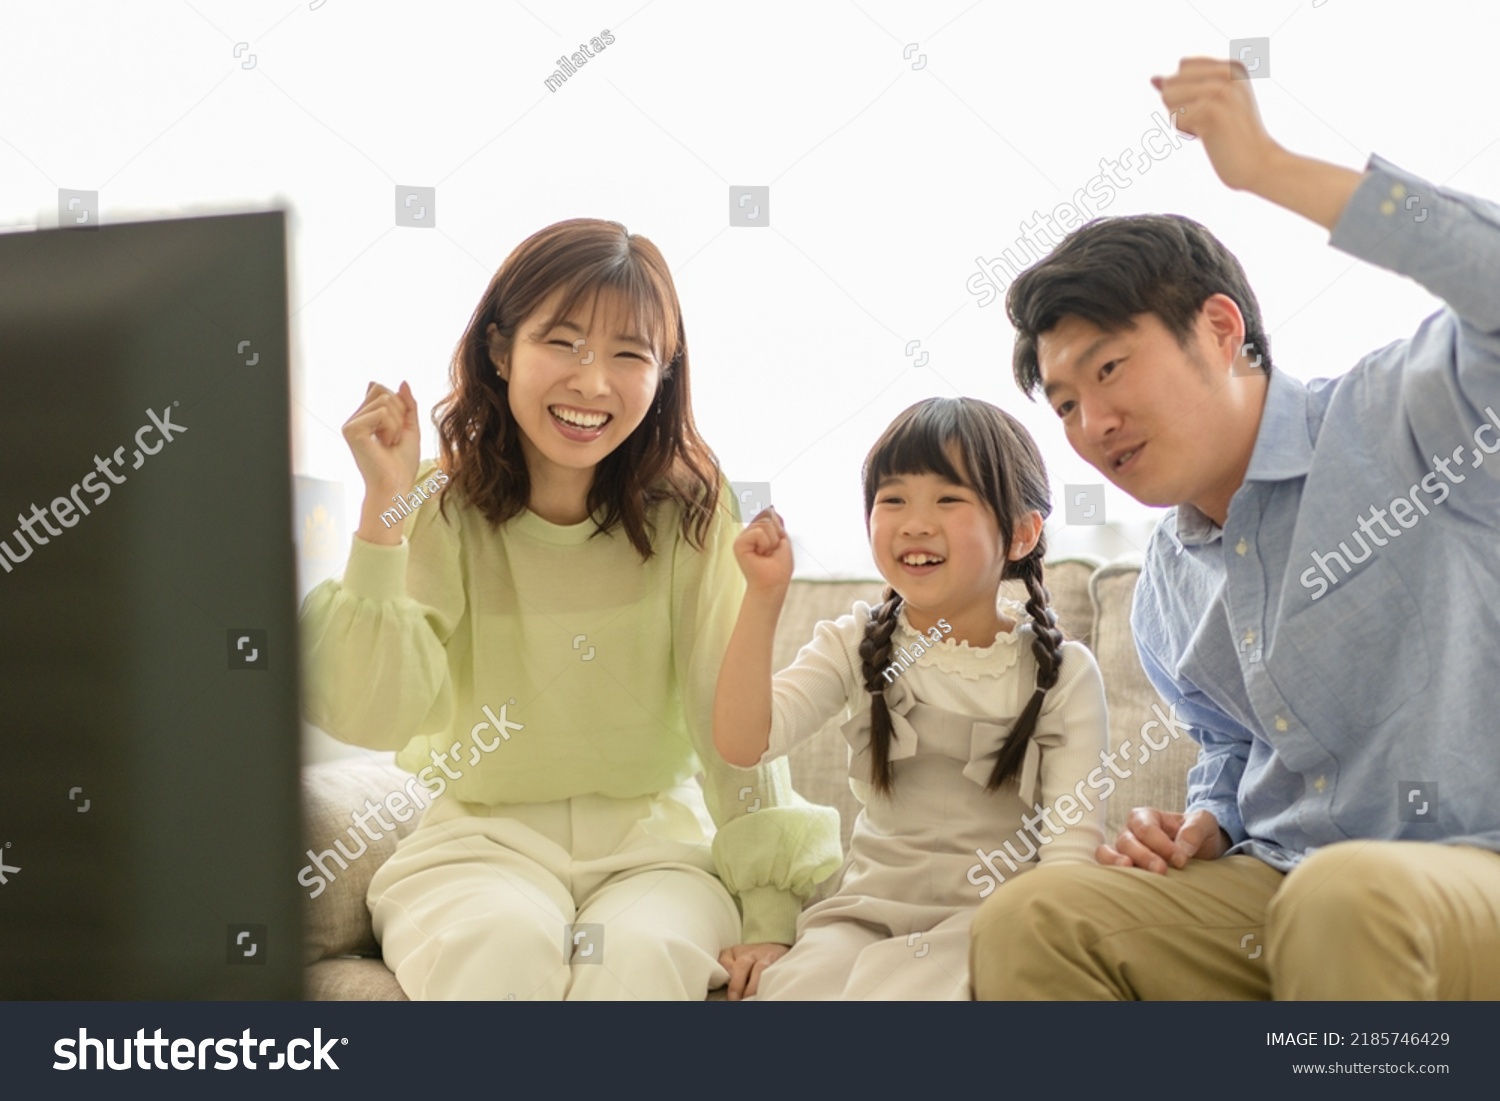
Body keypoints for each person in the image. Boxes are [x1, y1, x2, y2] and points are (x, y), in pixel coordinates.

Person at [970, 58, 1500, 999]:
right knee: (1035, 914)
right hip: (1281, 882)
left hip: (1468, 872)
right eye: (1063, 402)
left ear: (1221, 328)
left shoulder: (1411, 418)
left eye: (1110, 369)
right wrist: (1208, 816)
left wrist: (1267, 167)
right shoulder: (1170, 579)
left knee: (1346, 896)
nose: (1091, 424)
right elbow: (1230, 744)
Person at [300, 218, 840, 1001]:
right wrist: (383, 509)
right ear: (498, 349)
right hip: (478, 844)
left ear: (663, 374)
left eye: (630, 354)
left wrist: (767, 900)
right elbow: (374, 715)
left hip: (658, 851)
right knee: (500, 948)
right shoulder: (436, 503)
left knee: (641, 957)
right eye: (564, 342)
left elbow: (729, 712)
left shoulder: (690, 509)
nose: (593, 383)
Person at [714, 397, 1108, 999]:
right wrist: (764, 597)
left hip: (987, 921)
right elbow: (744, 744)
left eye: (949, 500)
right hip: (860, 917)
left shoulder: (1062, 673)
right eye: (892, 499)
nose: (914, 522)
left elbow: (1068, 857)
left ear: (1022, 533)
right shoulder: (856, 642)